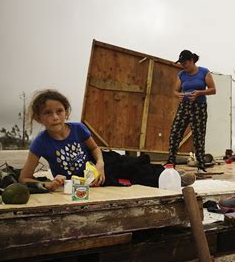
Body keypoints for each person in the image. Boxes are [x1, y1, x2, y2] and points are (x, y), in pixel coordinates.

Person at [19, 89, 195, 191]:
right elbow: (24, 178)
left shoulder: (78, 129)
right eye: (47, 113)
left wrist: (100, 165)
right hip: (80, 181)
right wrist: (48, 183)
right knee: (123, 182)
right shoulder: (40, 143)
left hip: (99, 163)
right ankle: (165, 178)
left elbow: (95, 149)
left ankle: (171, 176)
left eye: (59, 111)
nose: (55, 117)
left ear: (67, 112)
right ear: (38, 118)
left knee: (131, 165)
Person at [167, 50, 216, 172]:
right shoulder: (181, 75)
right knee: (175, 132)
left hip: (199, 107)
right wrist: (179, 95)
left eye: (185, 63)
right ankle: (171, 163)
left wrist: (200, 92)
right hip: (184, 107)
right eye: (181, 63)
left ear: (191, 61)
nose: (183, 65)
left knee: (198, 136)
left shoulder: (204, 72)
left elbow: (213, 89)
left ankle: (201, 166)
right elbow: (175, 91)